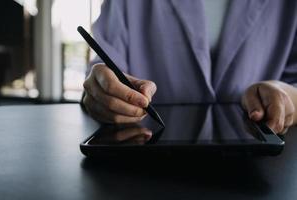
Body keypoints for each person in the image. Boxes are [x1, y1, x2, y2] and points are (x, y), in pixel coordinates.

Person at [83, 0, 297, 134]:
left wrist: (285, 95)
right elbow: (103, 73)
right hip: (146, 164)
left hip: (265, 168)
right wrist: (102, 89)